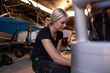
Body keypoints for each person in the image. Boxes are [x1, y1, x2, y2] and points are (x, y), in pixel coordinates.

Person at [31, 8, 71, 73]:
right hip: (39, 60)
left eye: (65, 23)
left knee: (70, 68)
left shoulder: (60, 33)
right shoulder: (44, 32)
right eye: (62, 23)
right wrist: (76, 64)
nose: (65, 25)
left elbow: (57, 53)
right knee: (62, 71)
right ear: (54, 20)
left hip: (50, 59)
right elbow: (56, 58)